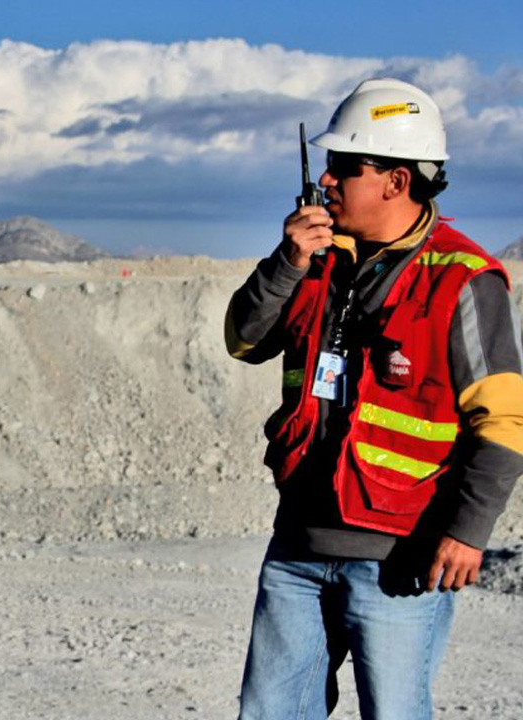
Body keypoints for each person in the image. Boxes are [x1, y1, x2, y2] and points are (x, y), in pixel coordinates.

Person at [226, 78, 523, 719]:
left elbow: (504, 420)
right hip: (298, 548)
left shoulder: (463, 279)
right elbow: (243, 340)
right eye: (328, 164)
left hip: (400, 559)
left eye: (345, 166)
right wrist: (286, 262)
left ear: (396, 180)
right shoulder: (313, 260)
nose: (327, 180)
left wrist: (468, 532)